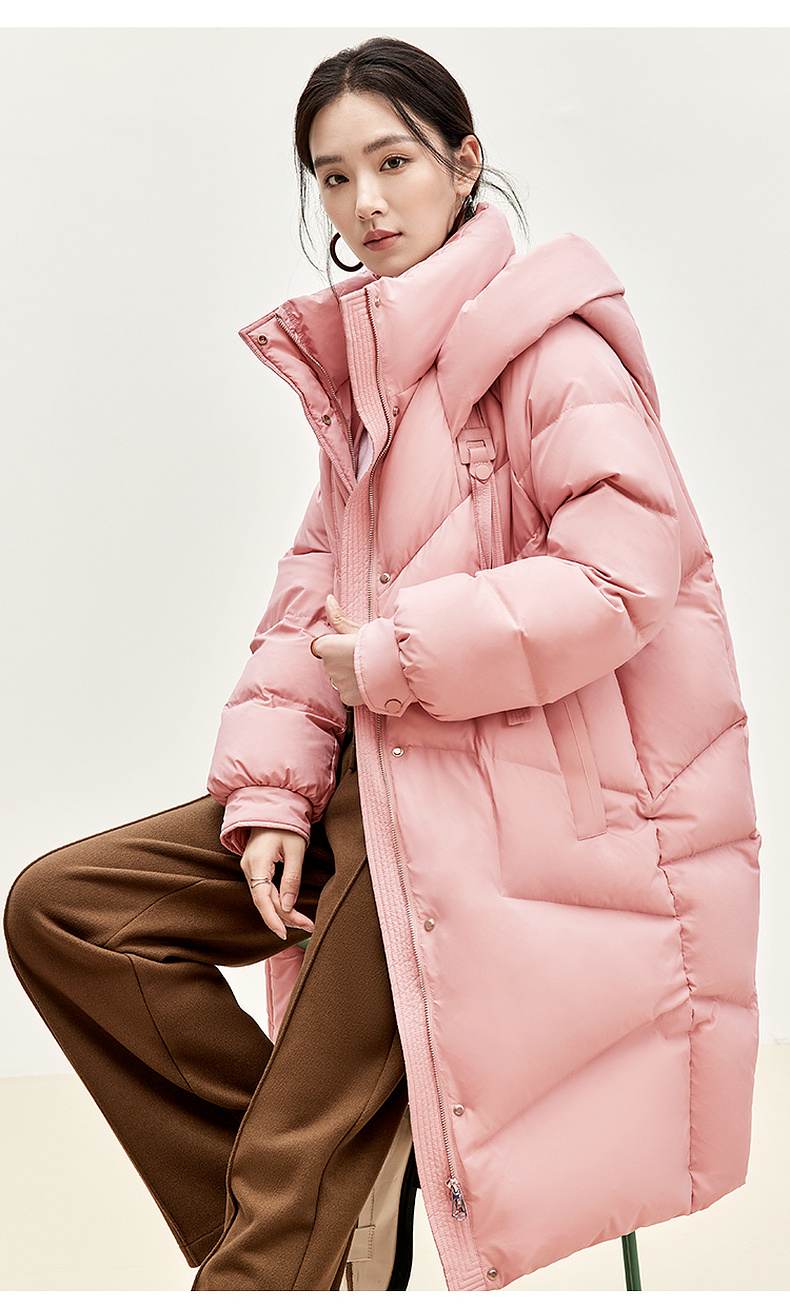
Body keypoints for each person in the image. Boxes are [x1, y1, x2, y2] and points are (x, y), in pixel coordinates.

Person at [4, 36, 760, 1294]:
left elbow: (623, 577)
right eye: (333, 175)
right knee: (69, 912)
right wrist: (270, 797)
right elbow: (311, 601)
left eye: (393, 162)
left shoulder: (553, 357)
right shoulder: (369, 387)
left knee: (286, 1186)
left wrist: (400, 654)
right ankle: (318, 1203)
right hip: (383, 787)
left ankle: (292, 1221)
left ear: (464, 164)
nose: (363, 202)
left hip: (512, 811)